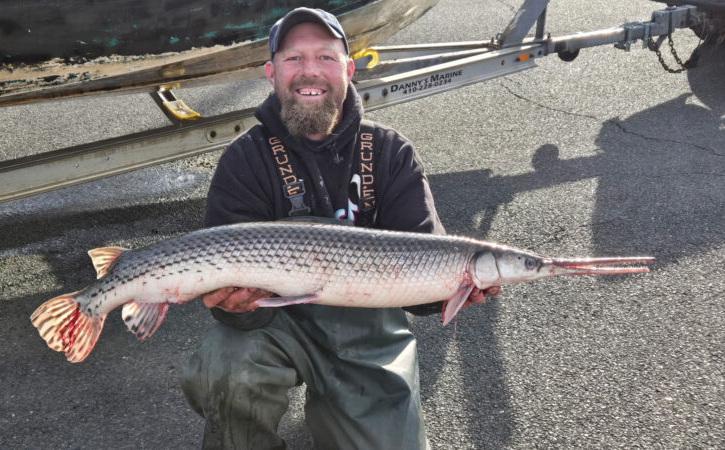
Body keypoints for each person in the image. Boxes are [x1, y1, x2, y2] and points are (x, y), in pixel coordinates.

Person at [180, 7, 498, 449]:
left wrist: (453, 289)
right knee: (228, 366)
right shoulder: (244, 158)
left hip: (369, 329)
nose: (310, 73)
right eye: (294, 59)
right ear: (271, 72)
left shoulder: (391, 152)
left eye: (326, 58)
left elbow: (426, 271)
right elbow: (221, 293)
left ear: (348, 70)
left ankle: (348, 410)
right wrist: (234, 305)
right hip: (276, 324)